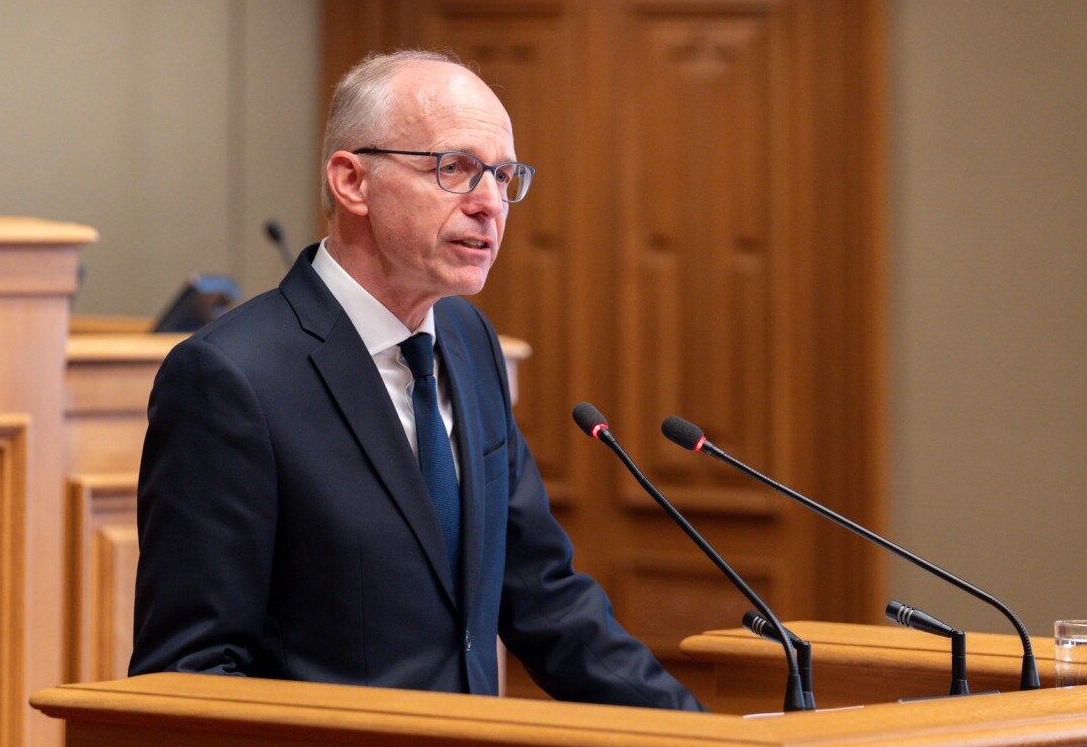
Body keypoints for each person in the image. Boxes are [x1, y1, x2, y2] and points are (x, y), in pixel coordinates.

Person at [129, 50, 703, 712]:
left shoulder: (468, 341)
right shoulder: (231, 380)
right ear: (352, 182)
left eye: (504, 176)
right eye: (455, 169)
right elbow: (189, 676)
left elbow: (545, 599)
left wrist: (714, 743)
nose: (490, 204)